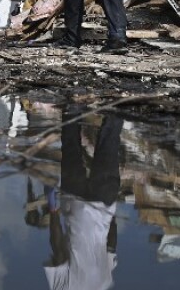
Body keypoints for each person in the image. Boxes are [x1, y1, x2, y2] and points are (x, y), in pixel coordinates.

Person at [43, 107, 123, 290]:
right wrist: (53, 210)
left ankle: (116, 106)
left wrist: (112, 213)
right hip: (75, 206)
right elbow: (59, 252)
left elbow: (111, 245)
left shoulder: (104, 284)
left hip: (103, 204)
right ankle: (72, 107)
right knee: (71, 146)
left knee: (109, 145)